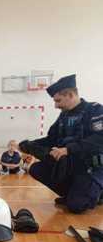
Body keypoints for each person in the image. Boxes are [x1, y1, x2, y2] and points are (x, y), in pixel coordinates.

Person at [22, 74, 103, 214]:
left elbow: (100, 138)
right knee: (36, 169)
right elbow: (50, 139)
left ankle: (98, 193)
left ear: (70, 94)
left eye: (58, 101)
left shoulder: (95, 110)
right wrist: (28, 145)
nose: (56, 106)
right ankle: (71, 193)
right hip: (68, 166)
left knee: (77, 206)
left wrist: (68, 149)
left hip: (90, 169)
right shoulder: (63, 117)